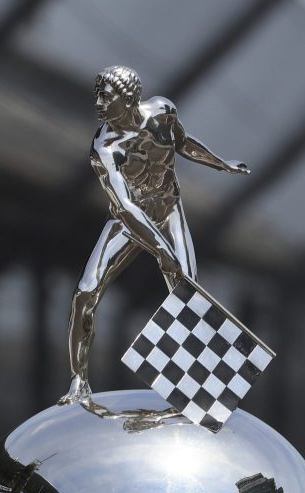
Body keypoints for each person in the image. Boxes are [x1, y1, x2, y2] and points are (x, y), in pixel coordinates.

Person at [62, 65, 250, 405]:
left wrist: (221, 163)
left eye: (106, 97)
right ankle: (78, 382)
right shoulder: (104, 148)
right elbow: (125, 206)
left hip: (168, 211)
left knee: (188, 292)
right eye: (97, 96)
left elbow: (184, 144)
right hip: (128, 222)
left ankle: (200, 387)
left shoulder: (163, 113)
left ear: (128, 98)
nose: (98, 104)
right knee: (84, 294)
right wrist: (161, 249)